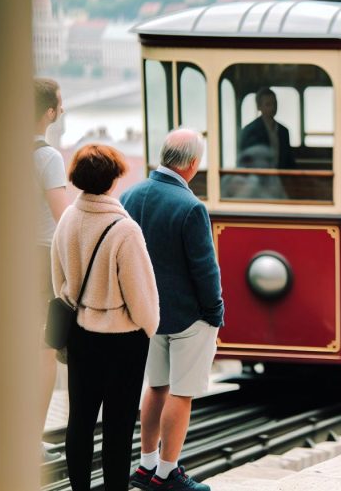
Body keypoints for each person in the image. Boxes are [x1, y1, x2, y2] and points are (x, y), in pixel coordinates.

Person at [51, 144, 160, 491]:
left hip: (80, 335)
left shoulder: (68, 219)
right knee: (118, 426)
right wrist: (149, 326)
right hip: (123, 341)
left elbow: (58, 279)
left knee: (80, 422)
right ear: (113, 179)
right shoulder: (125, 229)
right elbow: (141, 295)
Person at [122, 129, 224, 491]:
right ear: (193, 164)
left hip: (147, 315)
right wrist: (215, 312)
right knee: (181, 393)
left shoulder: (129, 196)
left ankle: (146, 464)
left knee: (155, 387)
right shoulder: (191, 207)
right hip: (188, 317)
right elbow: (205, 269)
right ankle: (167, 474)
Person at [34, 77, 69, 462]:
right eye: (60, 103)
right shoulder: (48, 157)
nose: (63, 109)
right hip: (41, 261)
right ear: (49, 112)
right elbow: (64, 218)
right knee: (43, 350)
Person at [239, 88, 295, 169]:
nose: (273, 107)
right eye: (268, 104)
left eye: (275, 103)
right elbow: (246, 160)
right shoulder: (250, 130)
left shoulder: (284, 131)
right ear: (259, 107)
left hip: (281, 174)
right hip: (259, 175)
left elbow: (289, 159)